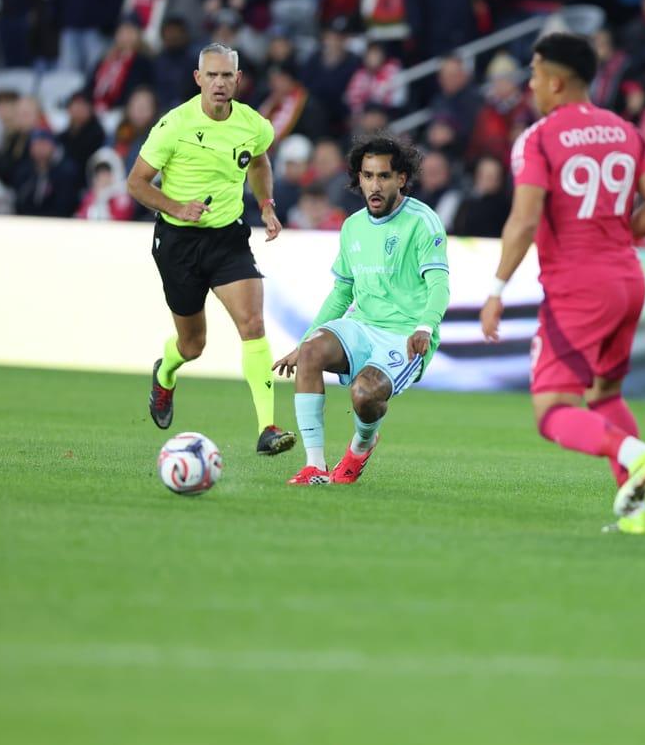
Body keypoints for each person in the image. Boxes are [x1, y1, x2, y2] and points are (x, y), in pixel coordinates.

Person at [478, 32, 645, 535]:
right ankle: (635, 514)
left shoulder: (540, 138)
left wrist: (498, 289)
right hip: (628, 281)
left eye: (534, 73)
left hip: (578, 288)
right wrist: (616, 236)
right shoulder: (625, 131)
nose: (530, 83)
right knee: (607, 395)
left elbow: (524, 221)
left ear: (555, 80)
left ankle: (636, 454)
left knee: (551, 411)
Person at [126, 42, 296, 457]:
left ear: (239, 80)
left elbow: (258, 162)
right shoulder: (174, 125)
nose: (220, 83)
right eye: (213, 76)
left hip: (227, 237)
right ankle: (165, 374)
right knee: (192, 346)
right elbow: (136, 183)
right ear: (198, 79)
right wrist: (177, 207)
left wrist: (266, 205)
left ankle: (267, 428)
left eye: (228, 76)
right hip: (178, 242)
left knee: (253, 323)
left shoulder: (254, 125)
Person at [273, 133, 450, 486]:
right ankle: (315, 467)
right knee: (310, 352)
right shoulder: (353, 226)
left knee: (365, 395)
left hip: (405, 334)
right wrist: (304, 341)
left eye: (384, 176)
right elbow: (342, 293)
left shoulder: (422, 221)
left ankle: (360, 446)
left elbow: (439, 286)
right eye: (368, 175)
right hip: (361, 325)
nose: (375, 185)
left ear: (401, 179)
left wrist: (425, 328)